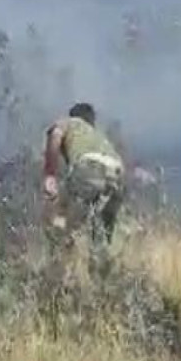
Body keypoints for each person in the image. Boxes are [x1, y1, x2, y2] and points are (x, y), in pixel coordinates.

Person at [42, 102, 126, 285]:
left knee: (60, 218)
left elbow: (55, 136)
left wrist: (50, 175)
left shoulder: (69, 123)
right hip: (117, 175)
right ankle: (105, 285)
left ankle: (59, 273)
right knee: (101, 237)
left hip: (90, 168)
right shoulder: (99, 137)